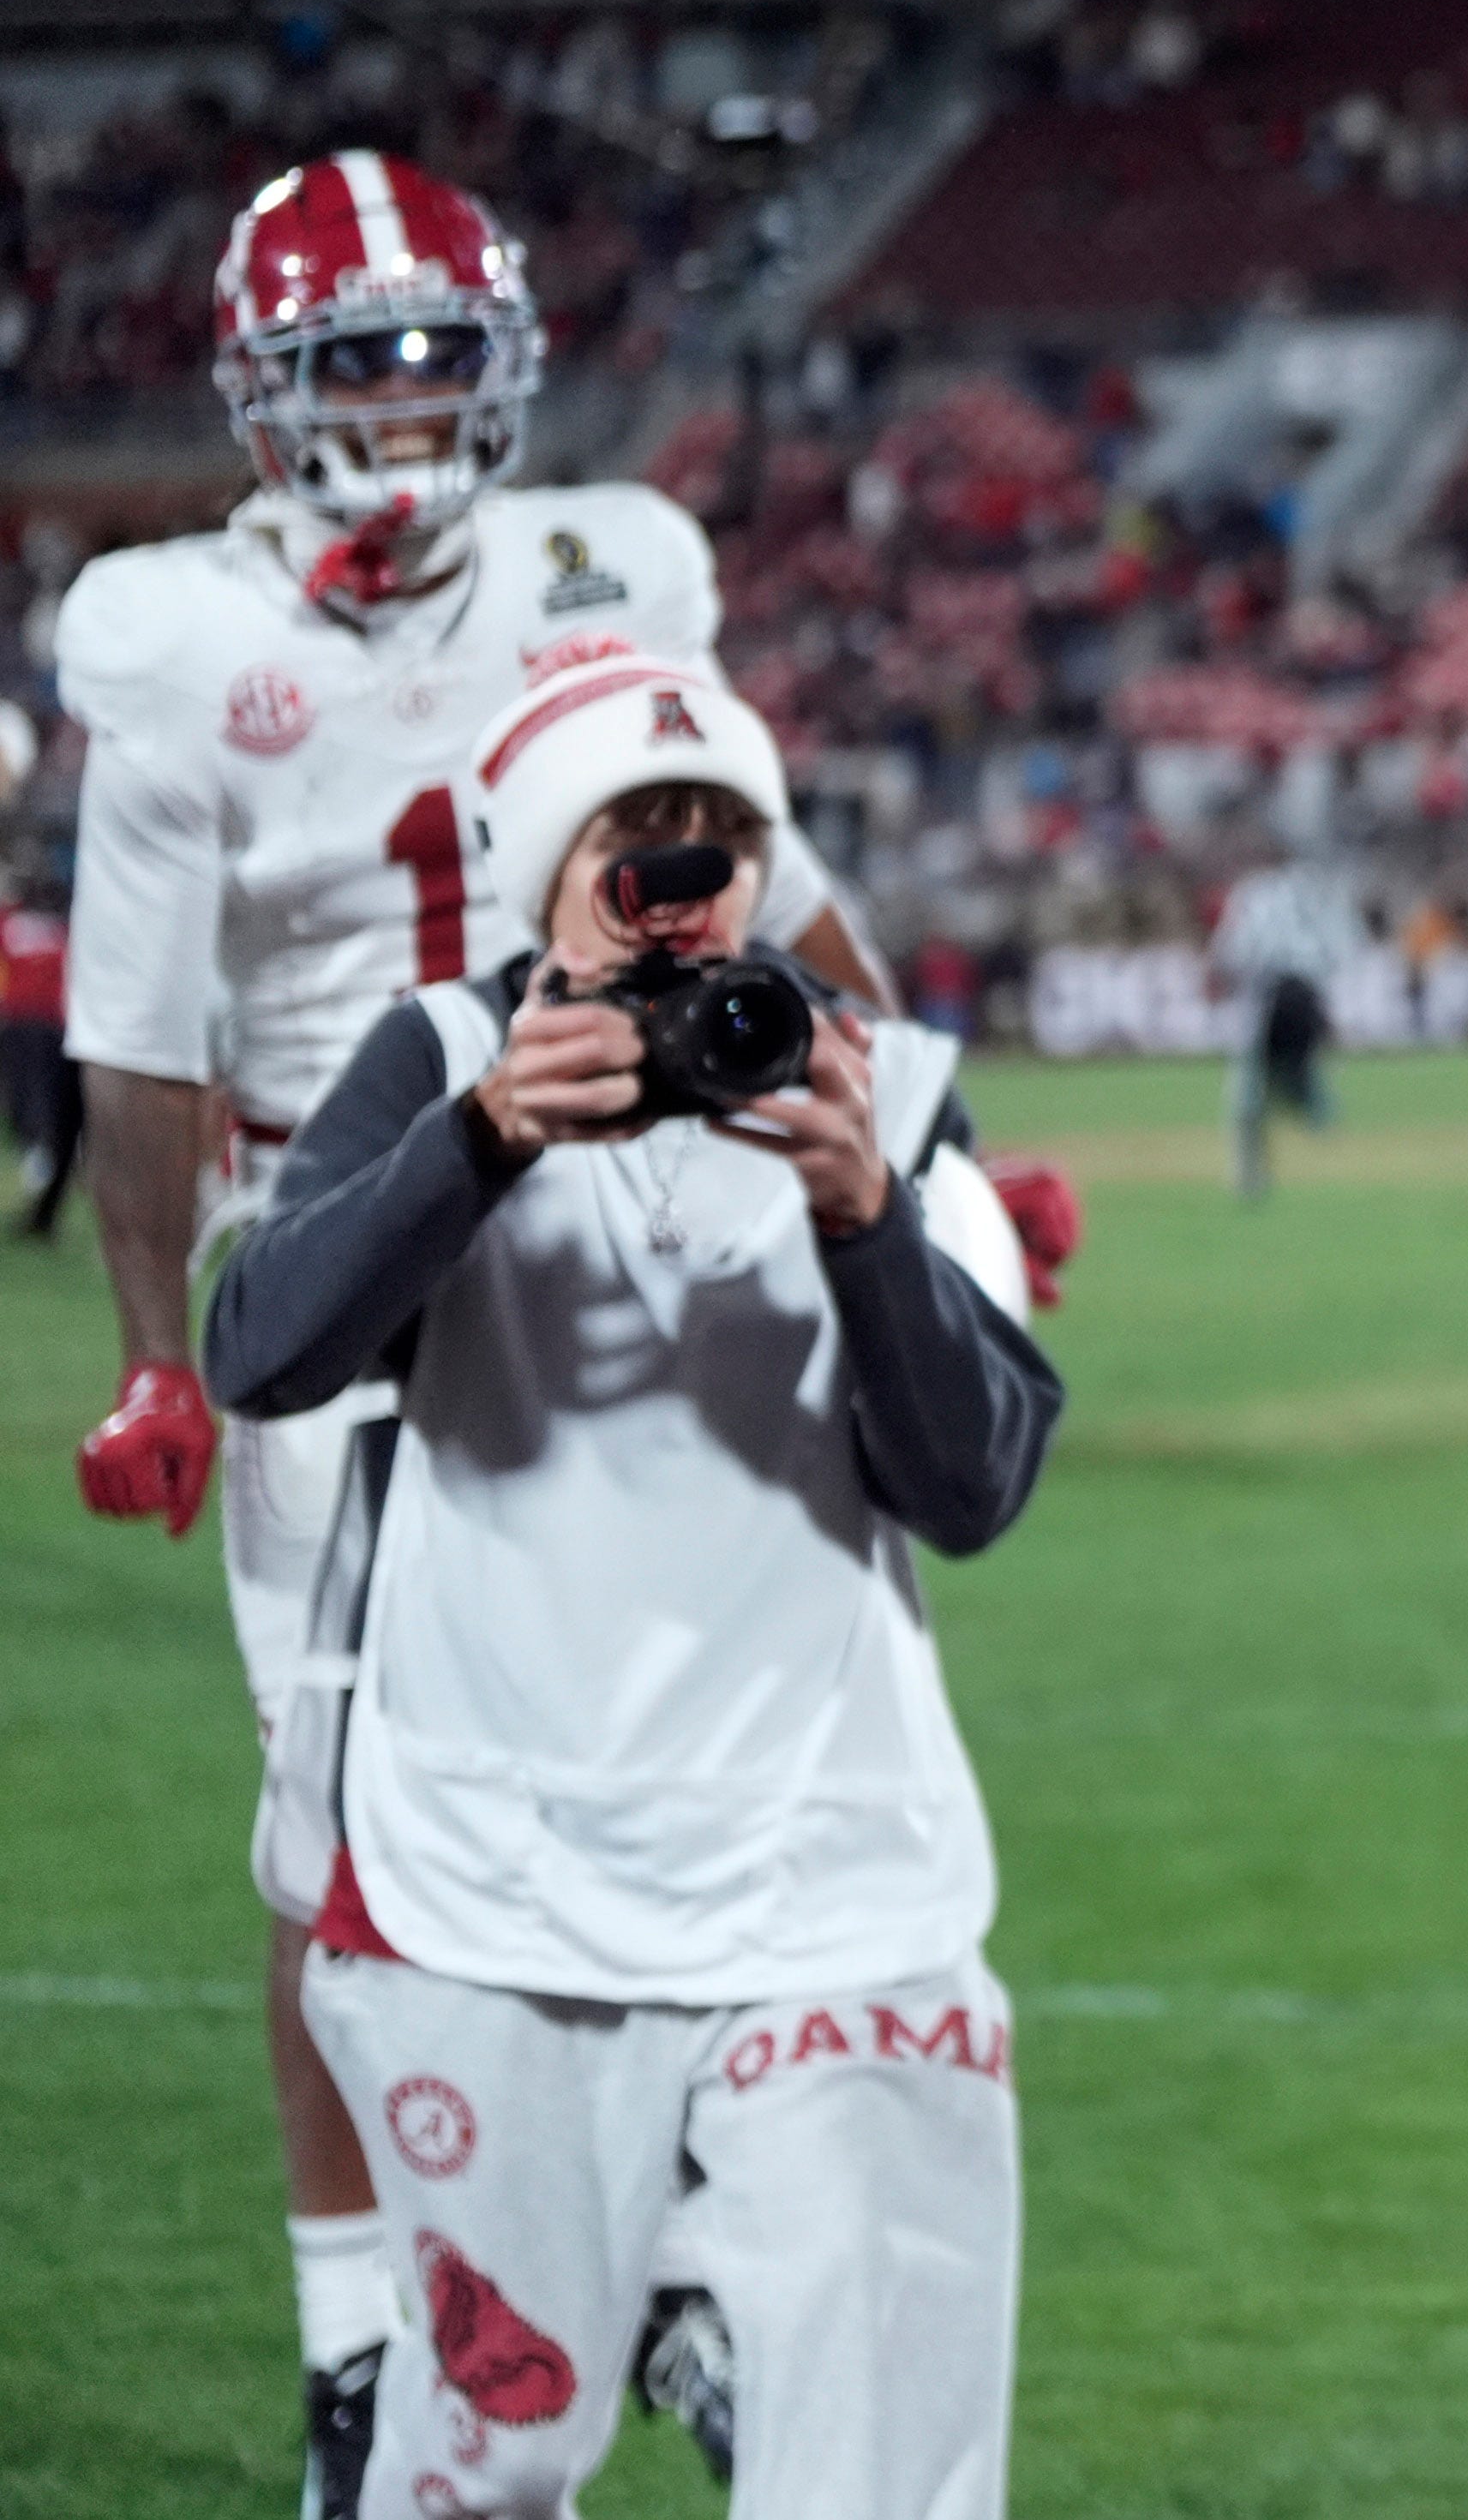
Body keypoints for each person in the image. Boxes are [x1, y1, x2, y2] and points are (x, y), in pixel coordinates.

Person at [48, 153, 906, 2512]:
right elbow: (131, 1040)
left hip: (640, 1235)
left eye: (444, 360)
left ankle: (684, 2281)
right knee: (337, 1847)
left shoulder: (614, 568)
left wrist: (916, 1133)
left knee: (702, 1768)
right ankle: (364, 2342)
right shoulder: (163, 640)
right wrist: (150, 1345)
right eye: (361, 365)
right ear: (262, 393)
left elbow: (779, 870)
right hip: (350, 1220)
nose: (410, 410)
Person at [198, 655, 1057, 2520]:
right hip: (492, 1877)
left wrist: (864, 1216)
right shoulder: (442, 1057)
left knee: (883, 2479)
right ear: (543, 868)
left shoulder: (882, 1081)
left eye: (723, 843)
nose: (686, 887)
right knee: (489, 2453)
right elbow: (258, 1348)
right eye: (636, 846)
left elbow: (975, 1480)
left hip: (836, 1882)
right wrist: (490, 1136)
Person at [1208, 842, 1354, 1193]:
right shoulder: (1316, 889)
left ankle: (1251, 1177)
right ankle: (1324, 1124)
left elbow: (1235, 949)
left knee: (1248, 1090)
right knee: (1298, 1075)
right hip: (1309, 994)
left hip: (1270, 996)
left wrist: (1218, 975)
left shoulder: (1253, 892)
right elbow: (1342, 946)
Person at [3, 865, 74, 1237]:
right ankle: (35, 1146)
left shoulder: (17, 925)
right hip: (35, 1022)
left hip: (35, 1022)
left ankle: (37, 1148)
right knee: (31, 1092)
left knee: (33, 1092)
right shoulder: (56, 930)